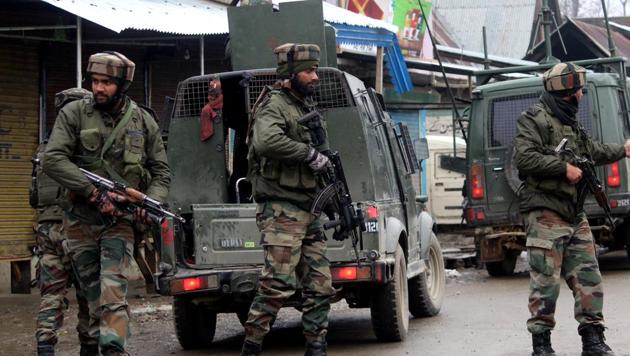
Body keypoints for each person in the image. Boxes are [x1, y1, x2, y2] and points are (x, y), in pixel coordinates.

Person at [43, 51, 170, 356]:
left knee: (113, 289)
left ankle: (113, 349)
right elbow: (53, 159)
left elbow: (161, 173)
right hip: (80, 220)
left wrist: (150, 203)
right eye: (95, 81)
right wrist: (93, 193)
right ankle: (91, 346)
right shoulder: (74, 113)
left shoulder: (143, 121)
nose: (98, 88)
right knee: (91, 295)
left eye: (107, 83)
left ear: (122, 85)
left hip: (120, 223)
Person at [514, 62, 630, 356]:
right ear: (568, 93)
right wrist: (562, 168)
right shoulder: (534, 119)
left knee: (589, 277)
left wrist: (623, 149)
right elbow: (524, 159)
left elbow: (593, 151)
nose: (581, 94)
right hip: (545, 211)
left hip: (573, 212)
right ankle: (541, 345)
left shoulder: (572, 124)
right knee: (545, 281)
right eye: (578, 90)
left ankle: (593, 339)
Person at [241, 43, 336, 356]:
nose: (315, 77)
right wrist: (307, 154)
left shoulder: (303, 106)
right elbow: (267, 142)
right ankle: (252, 346)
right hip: (282, 208)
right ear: (290, 74)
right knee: (278, 283)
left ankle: (316, 346)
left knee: (320, 284)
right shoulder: (275, 105)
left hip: (308, 208)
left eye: (315, 70)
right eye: (308, 71)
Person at [33, 88, 99, 356]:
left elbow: (33, 196)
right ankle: (89, 348)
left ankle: (45, 346)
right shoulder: (82, 147)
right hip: (76, 227)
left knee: (51, 294)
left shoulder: (43, 149)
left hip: (47, 230)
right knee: (88, 294)